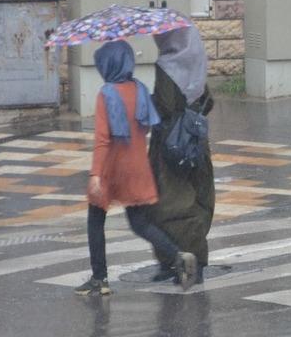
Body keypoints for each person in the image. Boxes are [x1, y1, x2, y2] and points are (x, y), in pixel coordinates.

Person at [74, 40, 198, 296]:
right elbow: (147, 126)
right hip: (138, 168)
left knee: (95, 222)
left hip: (111, 170)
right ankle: (178, 256)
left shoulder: (106, 94)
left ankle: (100, 279)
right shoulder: (139, 89)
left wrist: (95, 175)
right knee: (140, 223)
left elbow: (102, 140)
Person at [146, 25, 216, 284]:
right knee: (197, 199)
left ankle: (178, 261)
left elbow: (165, 106)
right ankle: (192, 258)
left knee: (171, 202)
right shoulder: (196, 61)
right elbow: (208, 99)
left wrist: (149, 101)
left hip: (170, 145)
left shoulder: (166, 65)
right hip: (195, 142)